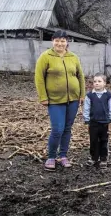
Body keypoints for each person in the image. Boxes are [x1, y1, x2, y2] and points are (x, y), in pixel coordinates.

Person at [34, 30, 85, 171]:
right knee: (57, 129)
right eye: (57, 40)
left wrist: (82, 95)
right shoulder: (46, 57)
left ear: (67, 42)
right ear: (52, 41)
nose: (60, 43)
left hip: (73, 99)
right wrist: (43, 97)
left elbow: (80, 76)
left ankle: (63, 156)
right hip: (55, 100)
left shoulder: (73, 57)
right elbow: (39, 78)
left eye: (63, 41)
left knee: (67, 129)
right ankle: (51, 156)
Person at [82, 73, 111, 169]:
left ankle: (103, 158)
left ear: (104, 83)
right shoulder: (90, 96)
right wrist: (86, 119)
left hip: (104, 123)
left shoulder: (108, 96)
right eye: (95, 81)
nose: (96, 83)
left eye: (99, 81)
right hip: (93, 123)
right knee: (93, 140)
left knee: (104, 140)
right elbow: (86, 108)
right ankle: (94, 157)